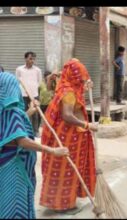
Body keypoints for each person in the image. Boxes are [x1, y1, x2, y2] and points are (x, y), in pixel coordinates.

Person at [0, 72, 69, 219]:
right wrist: (52, 150)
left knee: (5, 199)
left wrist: (30, 111)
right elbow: (22, 140)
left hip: (4, 162)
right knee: (15, 203)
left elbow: (13, 125)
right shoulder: (12, 111)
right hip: (15, 165)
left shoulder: (3, 110)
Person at [39, 58, 98, 214]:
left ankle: (65, 202)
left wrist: (86, 85)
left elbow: (79, 91)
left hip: (73, 136)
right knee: (66, 169)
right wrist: (87, 125)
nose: (81, 80)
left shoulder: (66, 85)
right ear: (73, 76)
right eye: (80, 78)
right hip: (67, 137)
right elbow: (67, 115)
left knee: (68, 169)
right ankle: (62, 205)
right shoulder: (68, 92)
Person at [16, 51, 43, 137]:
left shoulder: (37, 70)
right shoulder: (19, 69)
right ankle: (24, 130)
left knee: (36, 114)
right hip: (23, 95)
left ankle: (36, 131)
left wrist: (33, 89)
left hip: (34, 95)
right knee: (24, 113)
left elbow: (39, 82)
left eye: (34, 59)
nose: (32, 61)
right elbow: (17, 81)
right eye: (30, 58)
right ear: (26, 59)